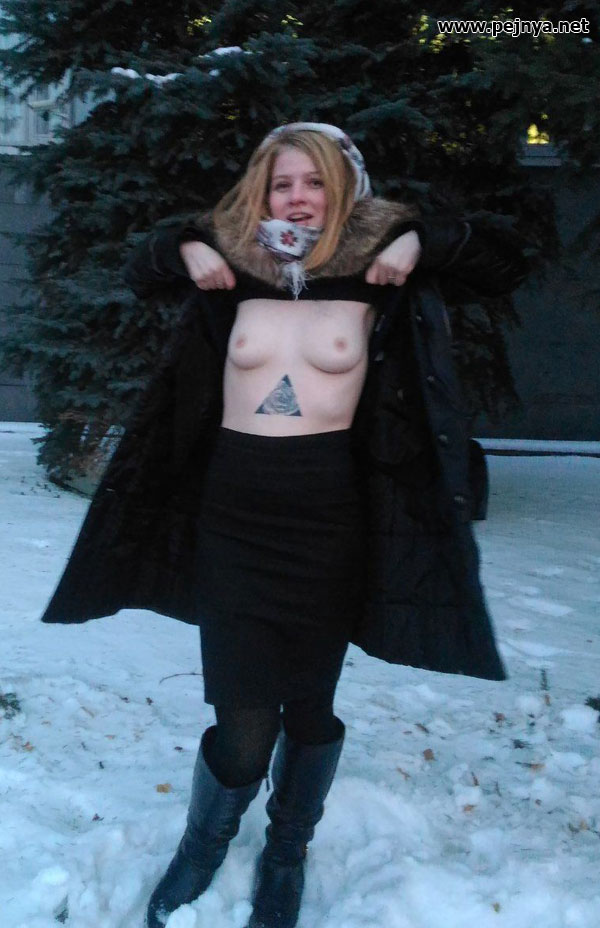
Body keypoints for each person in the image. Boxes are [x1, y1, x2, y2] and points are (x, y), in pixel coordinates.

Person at [40, 123, 529, 928]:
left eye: (315, 182)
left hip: (330, 518)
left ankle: (286, 852)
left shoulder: (382, 274)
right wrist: (185, 245)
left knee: (308, 705)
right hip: (233, 517)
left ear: (345, 189)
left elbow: (504, 263)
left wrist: (417, 238)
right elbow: (140, 271)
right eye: (282, 183)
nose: (298, 198)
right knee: (241, 718)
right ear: (262, 193)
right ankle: (203, 846)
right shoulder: (235, 268)